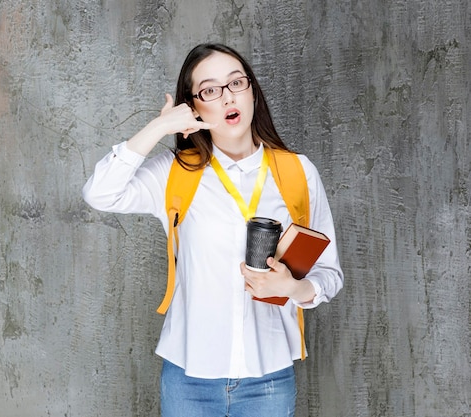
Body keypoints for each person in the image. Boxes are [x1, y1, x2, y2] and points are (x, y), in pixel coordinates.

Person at [82, 43, 343, 417]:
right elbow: (99, 193)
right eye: (210, 90)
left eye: (236, 83)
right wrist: (159, 127)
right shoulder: (176, 172)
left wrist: (293, 288)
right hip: (189, 379)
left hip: (268, 379)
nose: (227, 97)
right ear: (192, 105)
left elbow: (329, 274)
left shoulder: (298, 172)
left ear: (252, 90)